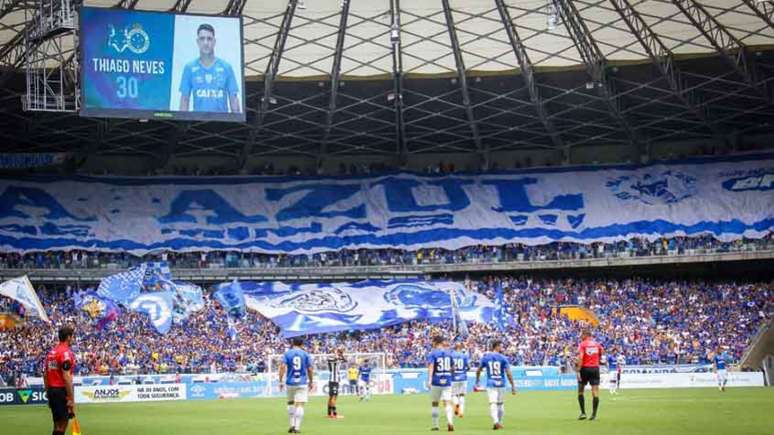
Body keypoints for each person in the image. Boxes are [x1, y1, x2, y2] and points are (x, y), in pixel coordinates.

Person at [178, 23, 241, 113]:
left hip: (222, 122)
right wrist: (182, 124)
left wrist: (236, 123)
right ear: (197, 42)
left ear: (214, 41)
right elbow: (184, 99)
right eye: (202, 39)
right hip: (196, 123)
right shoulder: (189, 68)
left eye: (209, 39)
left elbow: (233, 98)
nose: (206, 43)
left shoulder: (226, 67)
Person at [475, 340, 516, 430]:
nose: (501, 348)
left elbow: (478, 370)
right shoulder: (503, 358)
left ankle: (495, 422)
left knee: (493, 403)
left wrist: (477, 380)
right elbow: (508, 373)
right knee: (500, 404)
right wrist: (513, 385)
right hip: (501, 383)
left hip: (491, 383)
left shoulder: (486, 357)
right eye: (500, 346)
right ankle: (499, 422)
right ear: (496, 346)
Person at [44, 325, 76, 435]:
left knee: (57, 424)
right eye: (72, 337)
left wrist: (48, 394)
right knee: (62, 424)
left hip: (52, 390)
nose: (73, 339)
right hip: (61, 390)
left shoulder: (51, 353)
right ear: (68, 337)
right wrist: (71, 398)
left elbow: (45, 375)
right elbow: (66, 377)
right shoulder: (65, 353)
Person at [279, 337, 314, 434]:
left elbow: (282, 367)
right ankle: (297, 428)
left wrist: (280, 381)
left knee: (290, 402)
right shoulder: (305, 354)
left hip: (290, 382)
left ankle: (291, 425)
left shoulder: (287, 353)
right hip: (302, 382)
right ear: (302, 344)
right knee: (300, 404)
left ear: (292, 343)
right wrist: (311, 381)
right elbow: (310, 369)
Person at [427, 335, 454, 432]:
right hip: (447, 381)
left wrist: (429, 380)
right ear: (442, 343)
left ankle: (435, 425)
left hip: (436, 381)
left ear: (435, 343)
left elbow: (431, 366)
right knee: (447, 402)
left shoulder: (433, 354)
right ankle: (450, 422)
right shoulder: (449, 353)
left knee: (435, 403)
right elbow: (453, 367)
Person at [576, 329, 603, 421]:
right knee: (595, 392)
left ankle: (583, 413)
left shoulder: (582, 344)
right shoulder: (597, 344)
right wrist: (596, 361)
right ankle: (594, 415)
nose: (580, 337)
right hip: (595, 368)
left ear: (585, 335)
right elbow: (601, 354)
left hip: (585, 368)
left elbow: (580, 357)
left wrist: (578, 370)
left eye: (581, 335)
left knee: (580, 390)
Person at [450, 341, 470, 418]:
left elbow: (450, 367)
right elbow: (468, 367)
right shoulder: (464, 355)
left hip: (454, 378)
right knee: (462, 395)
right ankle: (461, 411)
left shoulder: (451, 355)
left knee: (453, 394)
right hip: (463, 377)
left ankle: (456, 404)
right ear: (460, 347)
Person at [326, 347, 345, 419]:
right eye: (338, 352)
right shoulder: (330, 359)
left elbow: (344, 360)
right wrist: (336, 354)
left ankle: (329, 413)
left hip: (336, 380)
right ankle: (333, 414)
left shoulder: (338, 358)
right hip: (333, 380)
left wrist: (341, 354)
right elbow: (335, 359)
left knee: (332, 396)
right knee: (333, 396)